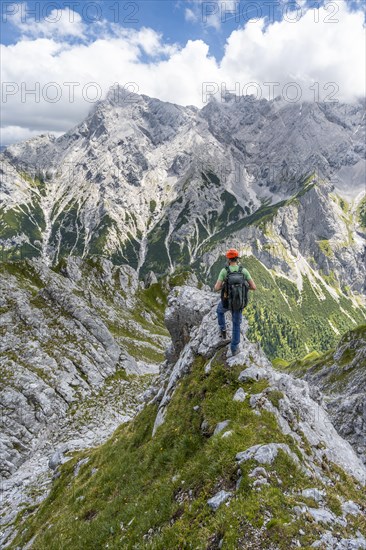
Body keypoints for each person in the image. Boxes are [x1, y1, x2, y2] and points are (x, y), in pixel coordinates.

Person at [214, 248, 256, 356]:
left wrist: (225, 286)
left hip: (227, 301)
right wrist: (243, 287)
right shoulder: (243, 271)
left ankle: (223, 329)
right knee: (236, 324)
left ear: (228, 259)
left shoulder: (225, 271)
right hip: (238, 303)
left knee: (219, 311)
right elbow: (253, 287)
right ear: (237, 258)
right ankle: (234, 348)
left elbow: (216, 288)